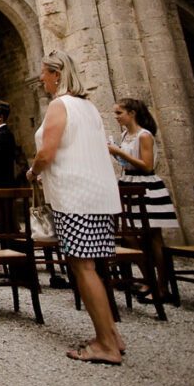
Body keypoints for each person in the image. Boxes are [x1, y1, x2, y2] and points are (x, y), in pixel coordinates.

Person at [27, 50, 123, 365]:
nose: (41, 78)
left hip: (76, 197)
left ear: (57, 74)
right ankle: (112, 335)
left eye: (44, 72)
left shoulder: (60, 105)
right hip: (100, 195)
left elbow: (47, 152)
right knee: (94, 267)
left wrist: (34, 171)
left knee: (83, 267)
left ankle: (106, 345)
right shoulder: (89, 107)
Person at [108, 97, 178, 298]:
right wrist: (116, 154)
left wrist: (119, 151)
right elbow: (126, 161)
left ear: (132, 113)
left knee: (154, 237)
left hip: (146, 186)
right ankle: (148, 280)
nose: (116, 117)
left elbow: (147, 165)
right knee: (129, 234)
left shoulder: (144, 135)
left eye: (119, 113)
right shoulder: (124, 135)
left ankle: (162, 286)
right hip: (129, 184)